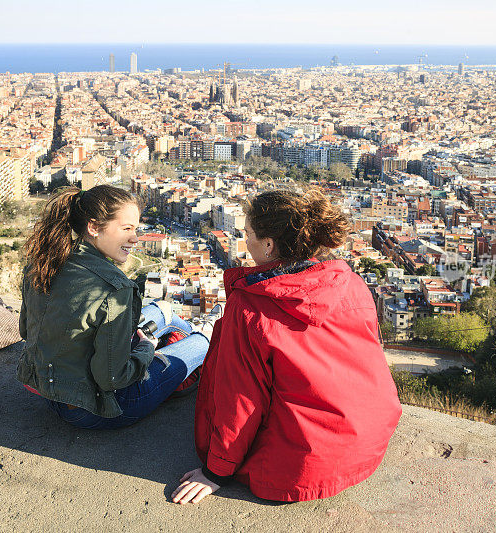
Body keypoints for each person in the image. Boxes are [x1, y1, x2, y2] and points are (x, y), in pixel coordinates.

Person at [172, 189, 402, 504]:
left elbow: (239, 397)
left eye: (248, 234)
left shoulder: (251, 305)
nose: (244, 241)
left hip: (301, 467)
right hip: (369, 444)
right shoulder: (350, 282)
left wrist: (215, 472)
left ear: (269, 245)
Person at [17, 185, 212, 430]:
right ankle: (188, 353)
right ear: (94, 227)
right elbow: (112, 379)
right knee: (204, 341)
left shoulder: (44, 262)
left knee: (164, 309)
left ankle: (180, 346)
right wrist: (146, 350)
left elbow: (26, 330)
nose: (135, 238)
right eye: (126, 229)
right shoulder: (115, 289)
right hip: (95, 409)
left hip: (48, 392)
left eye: (137, 229)